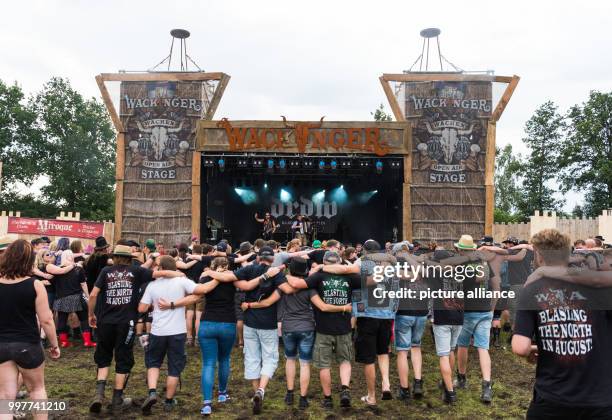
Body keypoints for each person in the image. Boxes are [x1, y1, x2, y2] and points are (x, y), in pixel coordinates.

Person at [512, 229, 612, 418]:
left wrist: (530, 349)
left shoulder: (531, 288)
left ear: (539, 255)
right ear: (569, 253)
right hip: (601, 399)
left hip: (552, 399)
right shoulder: (602, 287)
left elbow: (519, 347)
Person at [201, 246, 290, 415]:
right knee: (270, 357)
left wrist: (210, 273)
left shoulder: (249, 269)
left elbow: (231, 278)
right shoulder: (275, 273)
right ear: (272, 259)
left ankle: (257, 392)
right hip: (268, 323)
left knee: (252, 358)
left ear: (258, 258)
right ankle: (261, 391)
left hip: (249, 322)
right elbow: (287, 290)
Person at [287, 251, 362, 409]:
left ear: (324, 262)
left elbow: (297, 284)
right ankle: (345, 390)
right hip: (344, 326)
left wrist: (281, 275)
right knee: (345, 360)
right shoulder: (350, 277)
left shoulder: (319, 276)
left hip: (323, 328)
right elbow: (369, 279)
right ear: (339, 262)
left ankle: (327, 399)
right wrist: (347, 268)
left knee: (324, 365)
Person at [87, 244, 156, 414]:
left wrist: (91, 314)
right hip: (127, 323)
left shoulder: (106, 271)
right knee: (123, 357)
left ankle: (99, 394)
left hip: (105, 322)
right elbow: (157, 274)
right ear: (130, 258)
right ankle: (117, 399)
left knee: (103, 356)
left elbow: (93, 294)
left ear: (115, 257)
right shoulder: (137, 271)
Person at [0, 240, 61, 420]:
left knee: (4, 396)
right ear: (29, 260)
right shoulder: (35, 285)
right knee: (37, 390)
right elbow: (47, 320)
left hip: (2, 346)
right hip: (28, 345)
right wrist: (54, 344)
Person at [138, 256, 199, 414]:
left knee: (153, 363)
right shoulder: (182, 281)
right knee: (174, 366)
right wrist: (179, 302)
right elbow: (199, 292)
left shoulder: (152, 285)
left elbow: (142, 309)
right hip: (178, 331)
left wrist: (152, 305)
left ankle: (152, 392)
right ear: (174, 268)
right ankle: (169, 401)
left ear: (161, 268)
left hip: (158, 331)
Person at [452, 235, 499, 404]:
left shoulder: (461, 266)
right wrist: (492, 308)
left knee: (462, 346)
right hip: (485, 309)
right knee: (483, 348)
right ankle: (487, 385)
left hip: (468, 311)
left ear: (461, 250)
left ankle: (462, 378)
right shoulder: (484, 264)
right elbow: (495, 285)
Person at [53, 251, 94, 348]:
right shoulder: (78, 269)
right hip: (77, 297)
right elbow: (83, 284)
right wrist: (88, 297)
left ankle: (64, 342)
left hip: (62, 298)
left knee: (62, 320)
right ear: (71, 257)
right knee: (83, 319)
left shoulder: (57, 270)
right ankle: (87, 341)